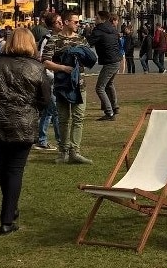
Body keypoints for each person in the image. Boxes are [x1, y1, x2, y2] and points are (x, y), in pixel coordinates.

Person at [0, 27, 51, 234]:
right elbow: (45, 99)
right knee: (15, 169)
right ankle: (7, 218)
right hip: (22, 124)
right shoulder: (37, 67)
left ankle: (10, 209)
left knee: (4, 167)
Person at [41, 10, 96, 164]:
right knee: (64, 119)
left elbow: (89, 60)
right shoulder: (54, 40)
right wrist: (63, 68)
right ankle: (63, 151)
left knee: (78, 118)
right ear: (66, 22)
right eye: (75, 22)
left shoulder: (81, 40)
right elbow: (45, 61)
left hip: (80, 84)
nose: (78, 24)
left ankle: (75, 152)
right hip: (62, 85)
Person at [35, 12, 63, 150]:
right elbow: (41, 58)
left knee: (49, 110)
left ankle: (42, 138)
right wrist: (50, 73)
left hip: (57, 77)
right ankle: (60, 140)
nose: (61, 24)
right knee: (55, 109)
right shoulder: (47, 38)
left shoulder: (61, 37)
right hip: (49, 77)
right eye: (58, 22)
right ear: (52, 25)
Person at [88, 10, 122, 121]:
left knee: (100, 87)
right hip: (116, 60)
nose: (95, 20)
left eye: (96, 18)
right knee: (109, 84)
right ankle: (114, 107)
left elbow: (88, 42)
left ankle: (109, 112)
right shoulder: (112, 29)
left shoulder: (99, 30)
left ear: (102, 19)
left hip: (110, 61)